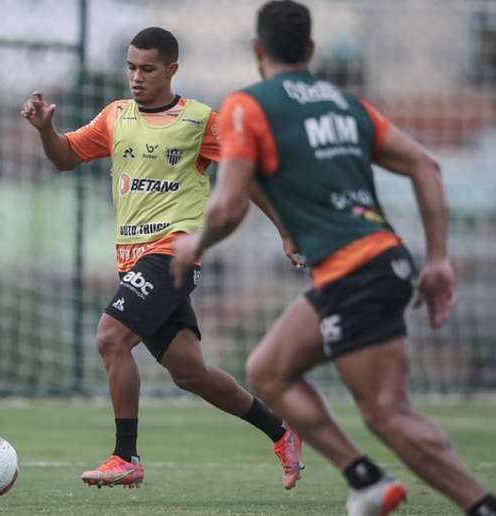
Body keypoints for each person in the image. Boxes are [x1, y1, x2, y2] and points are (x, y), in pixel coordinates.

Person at [171, 1, 496, 515]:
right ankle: (365, 480)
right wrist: (437, 260)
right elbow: (426, 167)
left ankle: (481, 505)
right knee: (268, 370)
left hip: (357, 271)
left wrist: (195, 243)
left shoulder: (246, 106)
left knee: (388, 414)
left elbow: (230, 206)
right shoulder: (348, 106)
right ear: (311, 49)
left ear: (259, 50)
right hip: (373, 263)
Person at [21, 26, 303, 490]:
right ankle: (282, 432)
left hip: (174, 254)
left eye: (148, 69)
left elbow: (245, 177)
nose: (137, 77)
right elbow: (66, 158)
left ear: (171, 70)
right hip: (133, 261)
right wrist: (46, 130)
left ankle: (124, 455)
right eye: (131, 67)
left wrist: (285, 230)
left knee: (111, 337)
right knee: (190, 373)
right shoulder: (115, 117)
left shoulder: (199, 121)